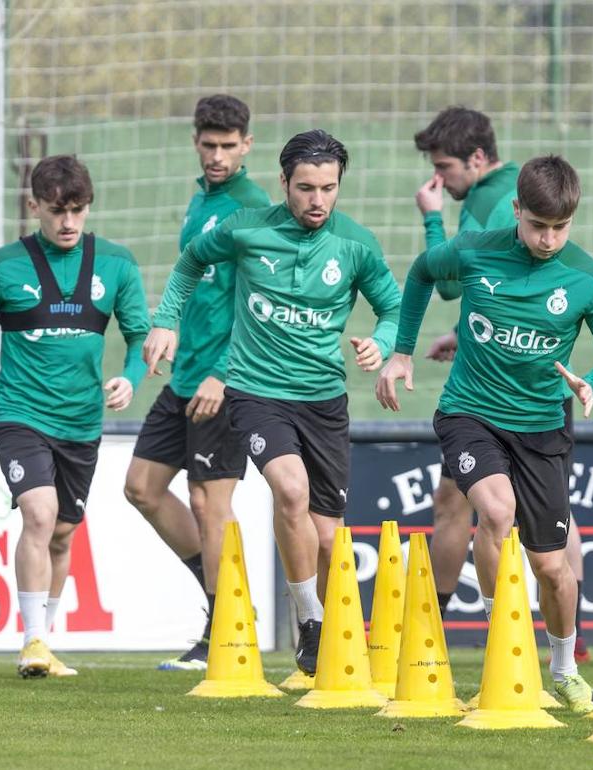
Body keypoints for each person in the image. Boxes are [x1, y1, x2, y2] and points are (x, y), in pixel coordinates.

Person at [376, 155, 593, 713]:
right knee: (494, 511)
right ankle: (503, 643)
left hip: (541, 429)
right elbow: (420, 272)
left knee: (553, 570)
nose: (547, 238)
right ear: (516, 210)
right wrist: (400, 353)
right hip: (471, 413)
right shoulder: (475, 251)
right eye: (537, 225)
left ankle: (562, 670)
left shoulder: (586, 278)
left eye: (559, 228)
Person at [144, 130, 401, 677]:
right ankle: (309, 621)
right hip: (257, 392)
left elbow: (393, 309)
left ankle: (336, 635)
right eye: (305, 187)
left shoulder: (355, 244)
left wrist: (380, 343)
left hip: (324, 400)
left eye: (328, 188)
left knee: (329, 537)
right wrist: (165, 318)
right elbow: (191, 262)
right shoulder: (247, 228)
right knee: (290, 491)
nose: (317, 200)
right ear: (283, 182)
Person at [0, 154, 148, 680]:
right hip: (20, 415)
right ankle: (32, 640)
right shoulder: (3, 266)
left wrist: (130, 377)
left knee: (62, 533)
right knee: (38, 513)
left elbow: (141, 334)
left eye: (78, 210)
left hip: (81, 424)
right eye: (57, 211)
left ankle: (45, 641)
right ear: (34, 206)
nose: (69, 222)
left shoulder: (117, 264)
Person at [414, 108, 588, 660]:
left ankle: (444, 634)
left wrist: (432, 216)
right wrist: (464, 334)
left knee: (466, 506)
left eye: (445, 168)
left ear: (479, 159)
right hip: (509, 384)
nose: (441, 179)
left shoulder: (489, 203)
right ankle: (567, 641)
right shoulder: (513, 197)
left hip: (502, 397)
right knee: (512, 509)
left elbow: (443, 281)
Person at [123, 95, 270, 672]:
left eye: (228, 147)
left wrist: (223, 372)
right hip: (187, 374)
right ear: (196, 142)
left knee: (211, 500)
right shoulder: (200, 201)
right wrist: (172, 331)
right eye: (208, 145)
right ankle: (222, 604)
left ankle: (228, 630)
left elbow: (261, 303)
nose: (216, 155)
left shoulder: (254, 206)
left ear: (247, 146)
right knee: (142, 487)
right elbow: (200, 286)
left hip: (227, 378)